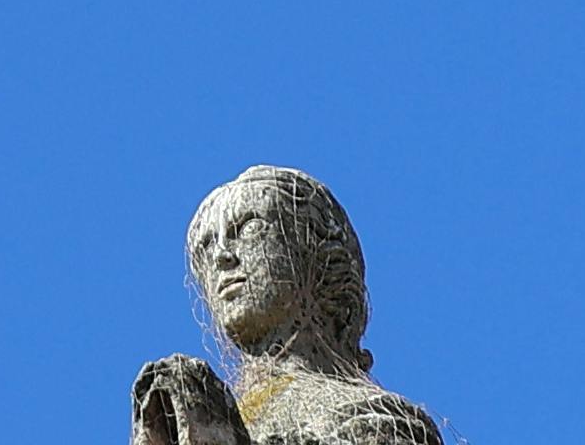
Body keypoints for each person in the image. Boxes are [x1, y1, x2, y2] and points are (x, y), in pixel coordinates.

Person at [130, 169, 442, 445]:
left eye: (250, 227)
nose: (223, 257)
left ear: (316, 253)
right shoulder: (222, 413)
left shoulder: (377, 418)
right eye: (207, 246)